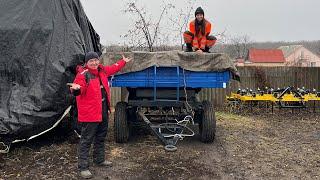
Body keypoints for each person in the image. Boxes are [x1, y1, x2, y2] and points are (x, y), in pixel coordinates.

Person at [68, 51, 132, 179]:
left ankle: (99, 159)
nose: (94, 62)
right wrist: (76, 89)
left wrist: (123, 61)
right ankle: (83, 167)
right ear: (86, 63)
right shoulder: (83, 75)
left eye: (96, 60)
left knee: (101, 136)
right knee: (86, 139)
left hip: (102, 110)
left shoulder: (102, 71)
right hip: (90, 113)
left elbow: (113, 68)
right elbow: (79, 88)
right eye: (91, 61)